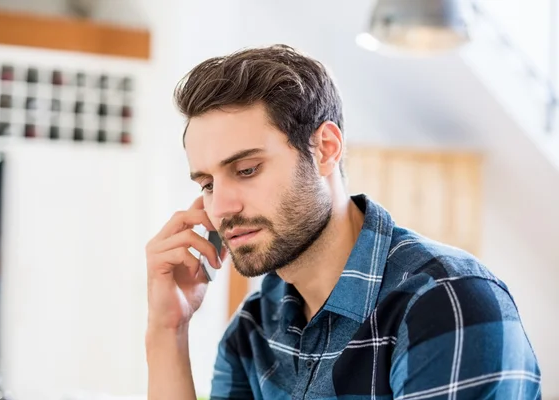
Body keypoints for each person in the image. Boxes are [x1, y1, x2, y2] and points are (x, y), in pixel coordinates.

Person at [145, 44, 541, 400]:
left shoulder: (447, 302)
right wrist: (168, 331)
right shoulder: (255, 329)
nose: (221, 208)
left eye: (247, 170)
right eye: (208, 184)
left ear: (325, 150)